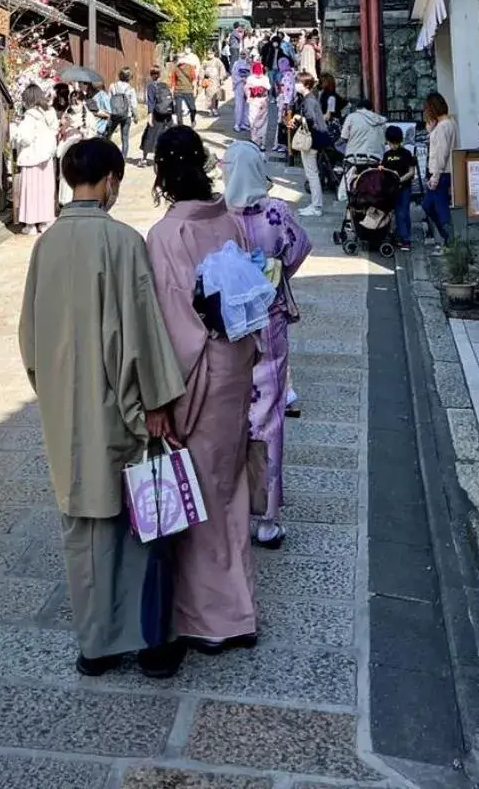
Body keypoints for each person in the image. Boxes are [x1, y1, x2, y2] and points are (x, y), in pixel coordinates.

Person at [19, 137, 187, 679]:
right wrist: (157, 400)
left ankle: (94, 644)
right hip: (118, 402)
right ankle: (149, 639)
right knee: (140, 517)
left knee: (83, 524)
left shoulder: (46, 246)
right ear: (112, 180)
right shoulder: (121, 242)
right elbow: (138, 330)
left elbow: (29, 336)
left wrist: (52, 388)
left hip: (66, 405)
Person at [145, 127, 259, 652]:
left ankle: (212, 617)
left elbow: (174, 320)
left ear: (162, 171)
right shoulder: (228, 221)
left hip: (202, 367)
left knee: (198, 494)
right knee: (228, 485)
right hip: (235, 358)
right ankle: (238, 604)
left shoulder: (169, 235)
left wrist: (160, 398)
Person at [222, 140, 311, 548]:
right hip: (270, 324)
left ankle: (231, 506)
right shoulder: (276, 212)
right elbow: (299, 249)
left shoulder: (219, 218)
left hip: (227, 329)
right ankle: (268, 517)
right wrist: (273, 281)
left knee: (228, 416)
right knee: (268, 417)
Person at [10, 85, 59, 236]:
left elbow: (25, 138)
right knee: (45, 191)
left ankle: (30, 225)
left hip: (32, 158)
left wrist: (15, 131)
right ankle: (44, 222)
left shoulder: (30, 116)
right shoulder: (49, 114)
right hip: (46, 159)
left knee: (31, 192)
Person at [422, 91, 457, 246]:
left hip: (440, 172)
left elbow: (440, 153)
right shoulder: (450, 123)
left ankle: (449, 239)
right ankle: (447, 238)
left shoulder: (442, 127)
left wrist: (435, 176)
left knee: (437, 207)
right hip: (445, 171)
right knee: (431, 205)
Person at [293, 73, 330, 217]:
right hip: (316, 139)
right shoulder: (310, 99)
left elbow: (310, 120)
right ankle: (315, 204)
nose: (296, 85)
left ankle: (316, 206)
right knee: (312, 173)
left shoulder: (308, 101)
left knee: (312, 174)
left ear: (305, 85)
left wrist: (297, 118)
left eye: (298, 82)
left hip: (312, 140)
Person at [381, 124, 419, 253]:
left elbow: (411, 171)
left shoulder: (406, 153)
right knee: (395, 213)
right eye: (391, 143)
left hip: (404, 188)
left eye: (395, 143)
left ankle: (405, 238)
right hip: (391, 189)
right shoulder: (386, 155)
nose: (393, 146)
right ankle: (398, 235)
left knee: (403, 213)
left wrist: (400, 179)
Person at [140, 65, 175, 166]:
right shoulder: (165, 85)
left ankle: (144, 159)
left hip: (157, 115)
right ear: (159, 74)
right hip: (167, 116)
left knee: (149, 136)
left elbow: (151, 102)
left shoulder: (151, 86)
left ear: (151, 75)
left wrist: (150, 116)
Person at [106, 67, 138, 159]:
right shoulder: (131, 89)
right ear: (129, 77)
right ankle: (123, 158)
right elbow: (133, 104)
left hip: (114, 114)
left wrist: (108, 115)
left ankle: (108, 153)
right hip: (126, 115)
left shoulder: (113, 86)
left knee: (108, 135)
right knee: (125, 137)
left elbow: (109, 100)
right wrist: (135, 116)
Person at [270, 56, 296, 157]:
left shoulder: (287, 76)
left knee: (283, 124)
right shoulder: (287, 74)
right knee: (281, 124)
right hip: (284, 101)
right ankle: (278, 143)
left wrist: (286, 104)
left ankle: (282, 144)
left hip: (285, 103)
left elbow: (288, 92)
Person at [245, 61, 270, 152]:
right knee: (263, 122)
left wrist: (248, 97)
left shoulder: (250, 78)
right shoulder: (265, 78)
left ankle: (255, 142)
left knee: (253, 121)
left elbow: (247, 89)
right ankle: (262, 143)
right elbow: (268, 88)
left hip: (253, 101)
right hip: (263, 101)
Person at [173, 59, 199, 127]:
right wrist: (172, 90)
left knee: (192, 108)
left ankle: (193, 119)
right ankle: (180, 125)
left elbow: (194, 78)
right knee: (178, 110)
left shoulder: (190, 67)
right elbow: (173, 80)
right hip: (178, 91)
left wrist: (195, 89)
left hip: (188, 90)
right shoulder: (175, 68)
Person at [231, 50, 252, 135]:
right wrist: (240, 79)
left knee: (246, 105)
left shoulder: (249, 63)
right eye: (242, 54)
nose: (243, 55)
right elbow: (234, 74)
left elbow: (252, 73)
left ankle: (244, 123)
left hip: (247, 85)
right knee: (239, 105)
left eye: (244, 54)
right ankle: (237, 123)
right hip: (239, 85)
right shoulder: (236, 63)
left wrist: (248, 79)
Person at [202, 50, 227, 116]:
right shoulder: (205, 62)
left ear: (214, 53)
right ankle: (210, 109)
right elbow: (202, 70)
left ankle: (215, 108)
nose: (210, 54)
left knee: (216, 95)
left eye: (211, 53)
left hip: (216, 81)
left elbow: (222, 69)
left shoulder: (217, 61)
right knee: (208, 96)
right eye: (208, 53)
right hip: (208, 81)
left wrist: (221, 78)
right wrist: (202, 77)